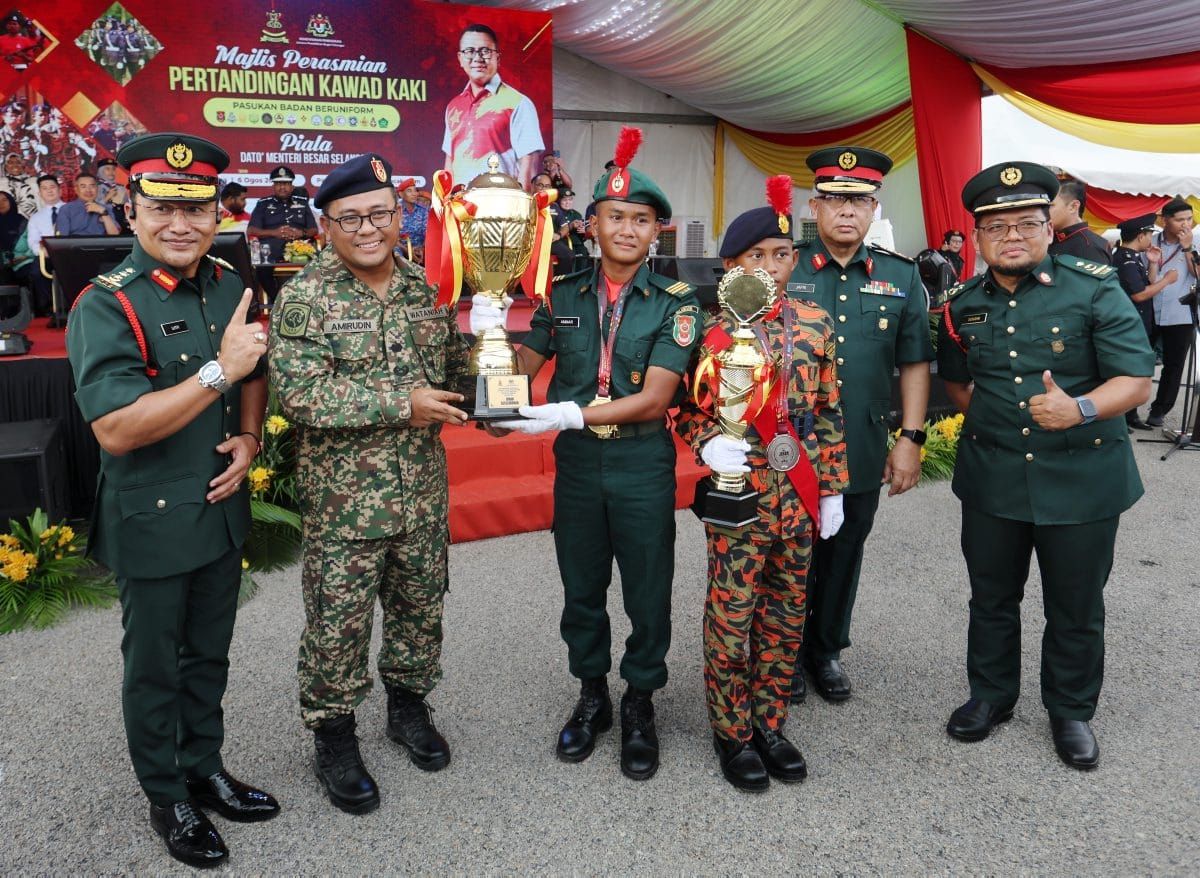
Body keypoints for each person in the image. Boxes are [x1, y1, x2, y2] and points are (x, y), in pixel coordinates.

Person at [65, 132, 278, 868]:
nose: (180, 224)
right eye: (162, 208)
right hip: (152, 517)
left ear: (218, 213)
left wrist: (250, 439)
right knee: (154, 666)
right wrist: (219, 374)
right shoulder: (106, 305)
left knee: (209, 655)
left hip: (219, 509)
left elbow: (255, 369)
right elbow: (118, 430)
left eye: (197, 208)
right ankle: (168, 795)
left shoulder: (226, 283)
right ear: (132, 211)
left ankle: (206, 767)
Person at [480, 128, 700, 781]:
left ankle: (639, 701)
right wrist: (497, 382)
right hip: (578, 465)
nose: (627, 229)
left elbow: (657, 397)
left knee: (648, 590)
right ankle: (592, 694)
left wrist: (570, 410)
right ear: (592, 224)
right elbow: (525, 362)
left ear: (657, 230)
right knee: (581, 587)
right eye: (615, 216)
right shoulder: (561, 294)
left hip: (639, 461)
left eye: (640, 219)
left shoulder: (677, 305)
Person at [268, 153, 470, 815]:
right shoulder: (305, 297)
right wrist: (398, 402)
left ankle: (407, 708)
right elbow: (300, 394)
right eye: (349, 218)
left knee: (420, 609)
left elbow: (459, 372)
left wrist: (499, 385)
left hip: (421, 492)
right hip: (345, 504)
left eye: (378, 214)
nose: (366, 229)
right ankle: (333, 734)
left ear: (397, 216)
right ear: (326, 224)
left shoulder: (426, 288)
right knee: (337, 624)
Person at [937, 161, 1153, 770]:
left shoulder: (1092, 286)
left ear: (1048, 227)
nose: (1012, 236)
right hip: (993, 477)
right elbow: (957, 386)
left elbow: (1136, 379)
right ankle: (991, 696)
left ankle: (1071, 710)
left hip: (1081, 477)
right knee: (991, 596)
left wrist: (1080, 408)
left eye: (1026, 223)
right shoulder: (963, 303)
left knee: (1076, 603)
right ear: (977, 237)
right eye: (996, 226)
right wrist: (1000, 421)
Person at [676, 176, 848, 791]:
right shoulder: (705, 327)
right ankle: (732, 731)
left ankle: (770, 721)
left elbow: (826, 412)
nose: (771, 267)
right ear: (731, 265)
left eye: (781, 255)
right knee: (733, 611)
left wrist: (831, 488)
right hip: (739, 490)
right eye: (756, 257)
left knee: (785, 613)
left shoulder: (816, 323)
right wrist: (705, 440)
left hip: (797, 490)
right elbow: (685, 407)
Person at [787, 146, 933, 703]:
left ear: (874, 209)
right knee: (790, 548)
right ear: (815, 205)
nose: (846, 211)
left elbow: (915, 361)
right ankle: (785, 649)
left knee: (845, 548)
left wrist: (911, 439)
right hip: (789, 445)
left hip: (861, 443)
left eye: (859, 201)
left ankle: (825, 650)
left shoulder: (899, 276)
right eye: (835, 200)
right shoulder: (784, 265)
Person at [442, 23, 544, 189]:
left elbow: (529, 165)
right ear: (460, 58)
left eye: (485, 51)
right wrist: (445, 202)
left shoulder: (519, 103)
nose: (477, 58)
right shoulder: (453, 105)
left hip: (501, 204)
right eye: (469, 51)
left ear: (498, 57)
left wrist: (522, 209)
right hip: (459, 206)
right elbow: (450, 160)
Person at [1112, 212, 1175, 430]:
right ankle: (1119, 417)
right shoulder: (1125, 259)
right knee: (1126, 373)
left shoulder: (1134, 257)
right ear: (1141, 236)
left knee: (1135, 371)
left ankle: (1130, 416)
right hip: (1128, 327)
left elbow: (1148, 281)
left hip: (1138, 325)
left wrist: (1154, 264)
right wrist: (1166, 281)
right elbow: (1139, 295)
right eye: (1149, 234)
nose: (1151, 239)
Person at [1145, 197, 1198, 428]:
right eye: (1179, 220)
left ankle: (1159, 409)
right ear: (1164, 220)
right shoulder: (1149, 240)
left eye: (1189, 219)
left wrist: (1188, 247)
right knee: (1137, 360)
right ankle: (1127, 410)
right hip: (1148, 309)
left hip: (1181, 312)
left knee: (1173, 365)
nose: (1186, 224)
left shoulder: (1195, 242)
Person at [246, 165, 318, 262]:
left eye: (286, 183)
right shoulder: (263, 204)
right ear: (273, 186)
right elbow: (251, 230)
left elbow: (314, 230)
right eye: (278, 184)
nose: (282, 187)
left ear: (292, 187)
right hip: (269, 253)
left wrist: (301, 233)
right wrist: (274, 233)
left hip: (299, 251)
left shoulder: (302, 203)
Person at [1048, 179, 1111, 265]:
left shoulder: (1090, 247)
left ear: (1073, 207)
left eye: (1050, 206)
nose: (1043, 212)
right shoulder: (1047, 238)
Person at [25, 173, 60, 314]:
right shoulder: (35, 218)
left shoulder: (71, 210)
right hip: (46, 256)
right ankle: (49, 308)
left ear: (60, 190)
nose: (49, 190)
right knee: (36, 272)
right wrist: (42, 252)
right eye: (45, 188)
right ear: (40, 193)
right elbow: (32, 242)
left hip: (69, 254)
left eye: (52, 187)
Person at [55, 171, 120, 236]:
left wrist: (103, 213)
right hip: (75, 245)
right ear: (76, 190)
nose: (88, 190)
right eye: (83, 187)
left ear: (97, 188)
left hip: (99, 245)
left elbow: (114, 236)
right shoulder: (66, 209)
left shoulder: (105, 209)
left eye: (92, 186)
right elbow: (61, 239)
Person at [396, 177, 428, 261]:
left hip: (419, 249)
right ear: (401, 194)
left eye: (415, 190)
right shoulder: (395, 209)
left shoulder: (423, 211)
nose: (414, 194)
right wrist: (407, 251)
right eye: (409, 191)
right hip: (401, 249)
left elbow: (427, 234)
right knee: (396, 252)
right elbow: (391, 237)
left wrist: (422, 248)